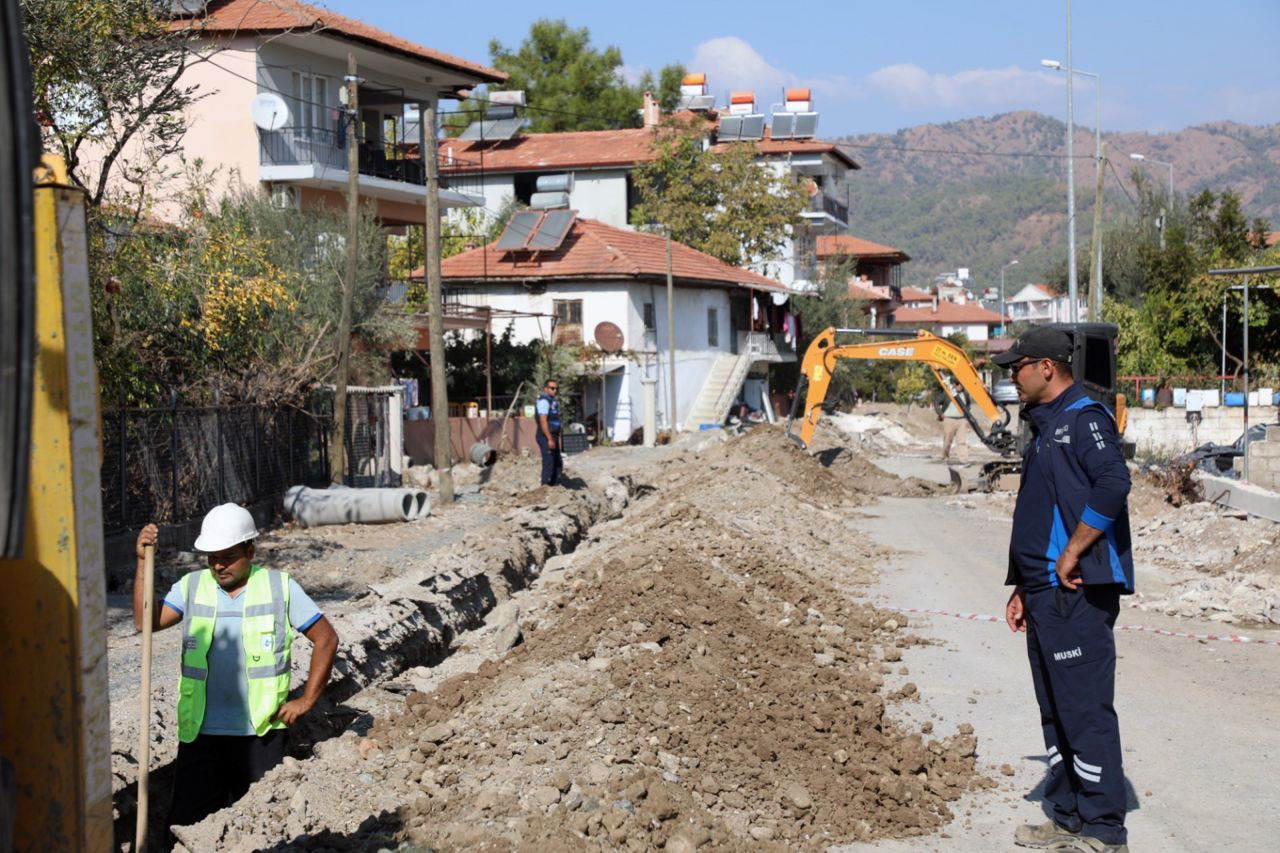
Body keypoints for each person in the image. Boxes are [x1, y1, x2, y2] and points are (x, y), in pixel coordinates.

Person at [993, 327, 1134, 853]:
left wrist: (1073, 551)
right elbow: (1039, 511)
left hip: (1077, 589)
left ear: (1047, 367)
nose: (1012, 374)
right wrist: (1023, 587)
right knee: (1055, 707)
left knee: (1084, 707)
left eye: (1018, 365)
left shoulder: (1083, 419)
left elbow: (1114, 484)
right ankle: (1068, 815)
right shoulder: (1046, 425)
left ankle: (1104, 830)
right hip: (1044, 592)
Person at [133, 503, 338, 833]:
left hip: (260, 737)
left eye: (228, 556)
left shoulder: (279, 588)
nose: (219, 565)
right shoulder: (192, 586)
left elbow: (326, 638)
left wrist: (307, 700)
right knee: (186, 830)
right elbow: (147, 621)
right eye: (213, 557)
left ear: (250, 550)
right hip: (201, 736)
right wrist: (143, 563)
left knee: (260, 831)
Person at [535, 378, 563, 486]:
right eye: (552, 388)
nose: (555, 390)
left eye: (556, 388)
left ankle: (556, 486)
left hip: (553, 435)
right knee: (549, 462)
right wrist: (549, 439)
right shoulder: (544, 402)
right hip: (546, 436)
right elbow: (543, 421)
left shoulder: (552, 402)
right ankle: (545, 487)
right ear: (545, 389)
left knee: (557, 461)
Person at [939, 378, 970, 464]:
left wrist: (966, 415)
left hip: (961, 420)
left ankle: (964, 460)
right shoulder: (947, 393)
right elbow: (937, 402)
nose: (961, 387)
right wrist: (940, 413)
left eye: (962, 385)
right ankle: (945, 456)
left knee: (961, 441)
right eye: (959, 385)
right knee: (947, 440)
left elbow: (968, 404)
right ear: (954, 385)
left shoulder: (965, 394)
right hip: (949, 419)